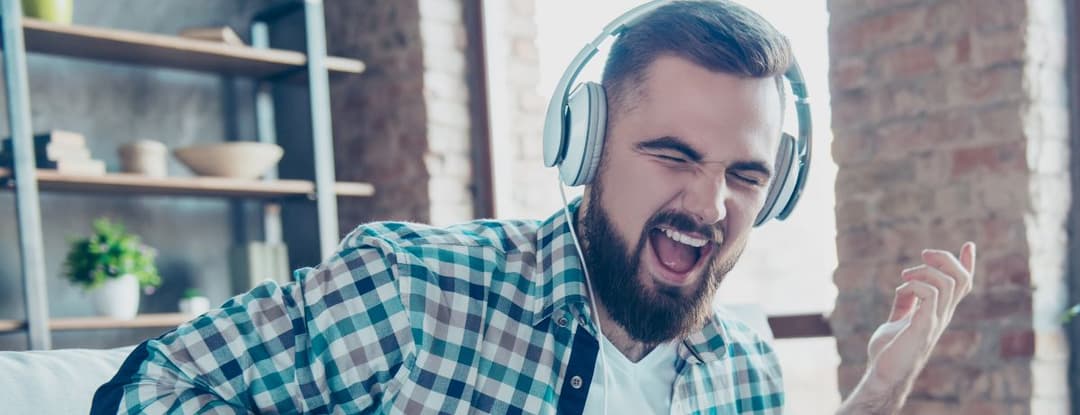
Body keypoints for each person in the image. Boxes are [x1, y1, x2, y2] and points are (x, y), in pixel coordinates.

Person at [91, 1, 976, 414]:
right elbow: (149, 387)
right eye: (672, 154)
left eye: (745, 175)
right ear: (584, 146)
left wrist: (879, 390)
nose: (709, 204)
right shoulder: (415, 290)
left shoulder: (743, 363)